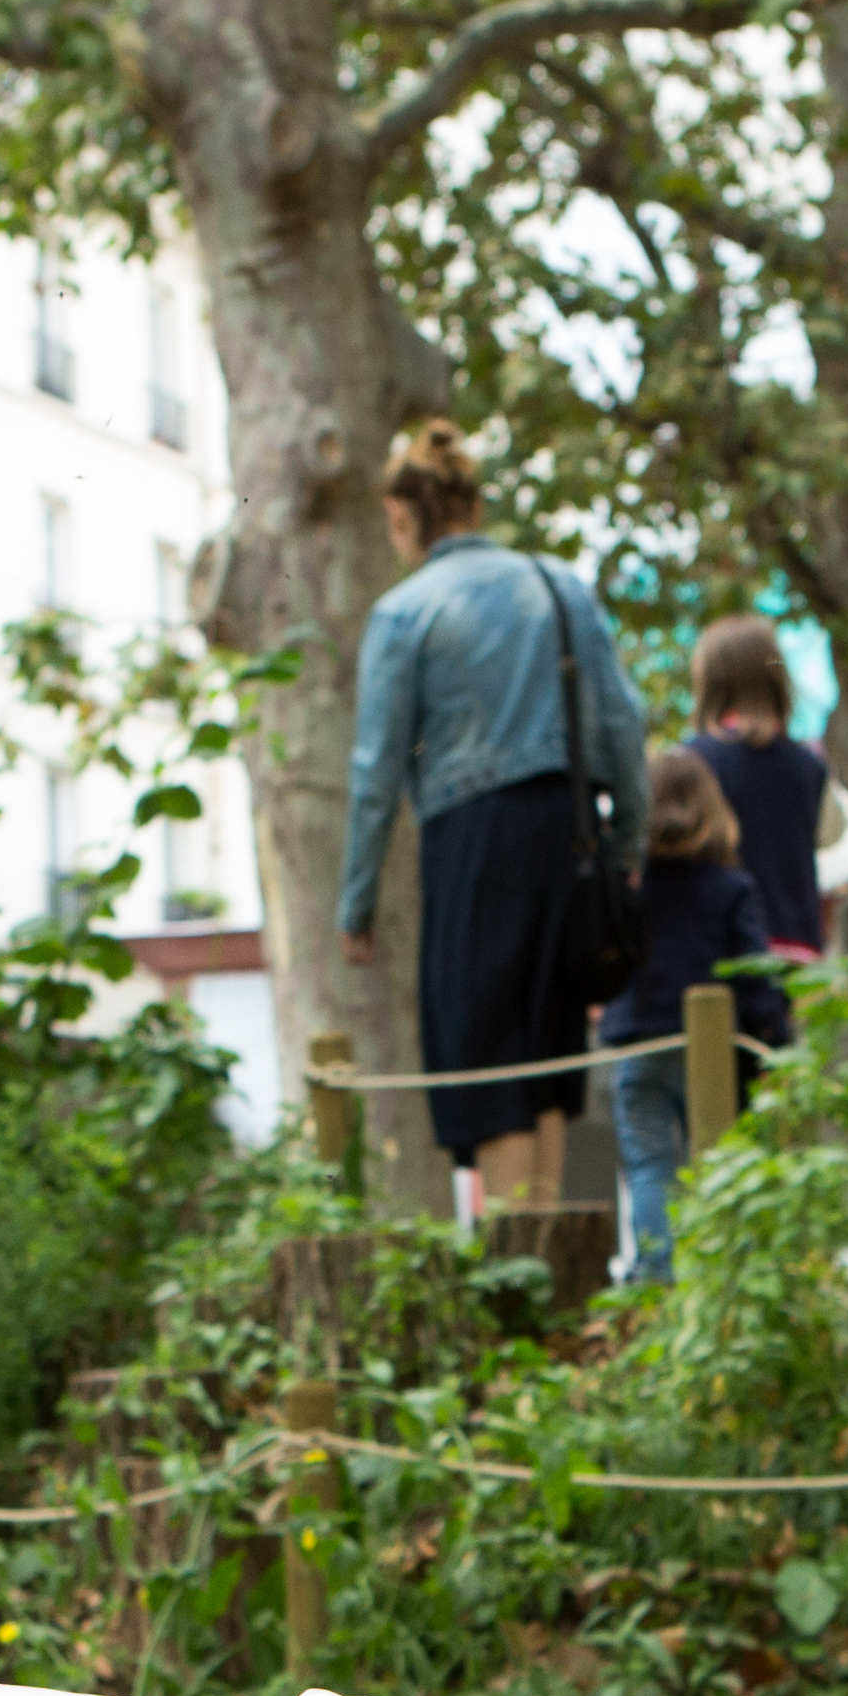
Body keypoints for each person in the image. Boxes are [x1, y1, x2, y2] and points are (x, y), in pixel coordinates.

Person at [336, 420, 645, 1206]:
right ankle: (564, 1278)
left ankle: (522, 1283)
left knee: (493, 1060)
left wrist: (357, 900)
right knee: (550, 1059)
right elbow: (621, 725)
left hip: (471, 843)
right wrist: (627, 845)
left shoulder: (405, 614)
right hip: (567, 838)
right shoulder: (558, 586)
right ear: (472, 505)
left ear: (404, 518)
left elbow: (376, 770)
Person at [606, 747, 789, 1288]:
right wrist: (773, 1037)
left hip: (640, 1043)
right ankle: (727, 1278)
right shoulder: (732, 889)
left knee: (649, 1165)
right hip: (716, 1053)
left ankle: (658, 1274)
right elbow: (755, 973)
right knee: (723, 1164)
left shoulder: (630, 894)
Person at [686, 612, 835, 970]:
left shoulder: (696, 761)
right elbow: (827, 841)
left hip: (728, 947)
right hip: (798, 945)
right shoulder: (809, 764)